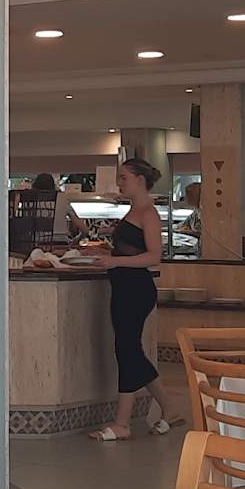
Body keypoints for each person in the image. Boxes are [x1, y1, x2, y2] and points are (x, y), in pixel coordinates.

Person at [85, 157, 171, 441]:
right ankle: (168, 408)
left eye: (123, 177)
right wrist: (104, 254)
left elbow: (154, 256)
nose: (119, 182)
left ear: (139, 180)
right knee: (130, 349)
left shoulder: (148, 213)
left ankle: (122, 423)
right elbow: (127, 250)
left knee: (126, 349)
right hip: (123, 286)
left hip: (136, 289)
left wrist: (115, 261)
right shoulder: (133, 210)